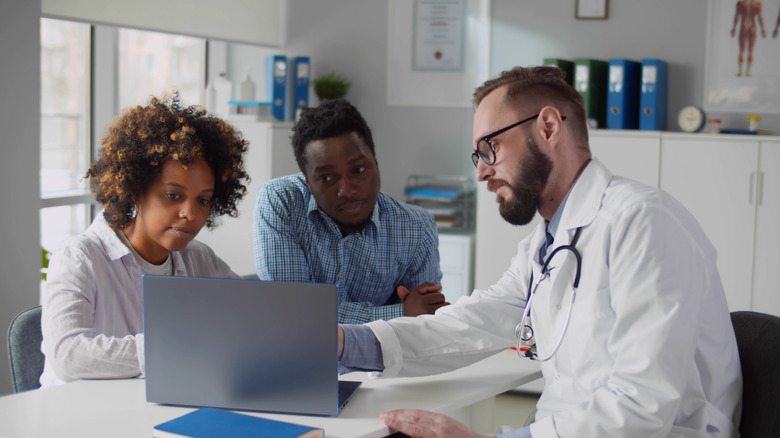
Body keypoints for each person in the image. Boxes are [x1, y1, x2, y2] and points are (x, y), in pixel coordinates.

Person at [338, 66, 742, 437]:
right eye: (477, 156)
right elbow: (470, 323)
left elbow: (641, 404)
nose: (480, 172)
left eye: (490, 147)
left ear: (548, 127)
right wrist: (344, 343)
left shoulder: (644, 223)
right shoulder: (544, 246)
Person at [40, 95, 250, 388]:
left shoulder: (199, 259)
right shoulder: (79, 257)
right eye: (173, 195)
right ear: (135, 190)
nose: (190, 213)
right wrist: (174, 347)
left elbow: (254, 316)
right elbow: (68, 356)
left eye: (203, 200)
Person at [253, 98, 447, 325]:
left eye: (358, 169)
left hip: (375, 360)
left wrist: (416, 314)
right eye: (326, 178)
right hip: (296, 358)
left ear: (375, 162)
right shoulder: (281, 201)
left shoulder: (416, 227)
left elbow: (424, 323)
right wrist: (399, 313)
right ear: (307, 183)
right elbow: (293, 314)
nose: (347, 190)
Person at [730, 0, 767, 76]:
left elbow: (737, 16)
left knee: (742, 50)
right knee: (750, 51)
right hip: (752, 26)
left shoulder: (740, 3)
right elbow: (760, 17)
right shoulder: (757, 4)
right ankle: (747, 72)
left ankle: (741, 72)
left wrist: (734, 27)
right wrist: (762, 28)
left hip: (744, 26)